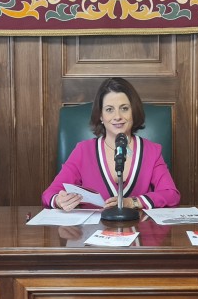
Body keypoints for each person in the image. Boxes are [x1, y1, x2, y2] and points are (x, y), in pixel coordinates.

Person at [42, 77, 180, 211]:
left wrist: (133, 202)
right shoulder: (83, 151)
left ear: (134, 111)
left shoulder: (152, 151)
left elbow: (171, 194)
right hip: (93, 232)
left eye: (124, 108)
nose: (117, 116)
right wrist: (59, 201)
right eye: (109, 109)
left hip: (139, 231)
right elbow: (49, 194)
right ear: (101, 116)